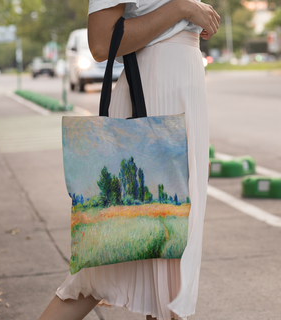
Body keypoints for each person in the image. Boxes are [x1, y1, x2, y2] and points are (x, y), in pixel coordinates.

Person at [39, 1, 220, 320]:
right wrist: (181, 9)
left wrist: (193, 14)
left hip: (179, 95)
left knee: (164, 254)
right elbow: (100, 43)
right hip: (155, 98)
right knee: (166, 247)